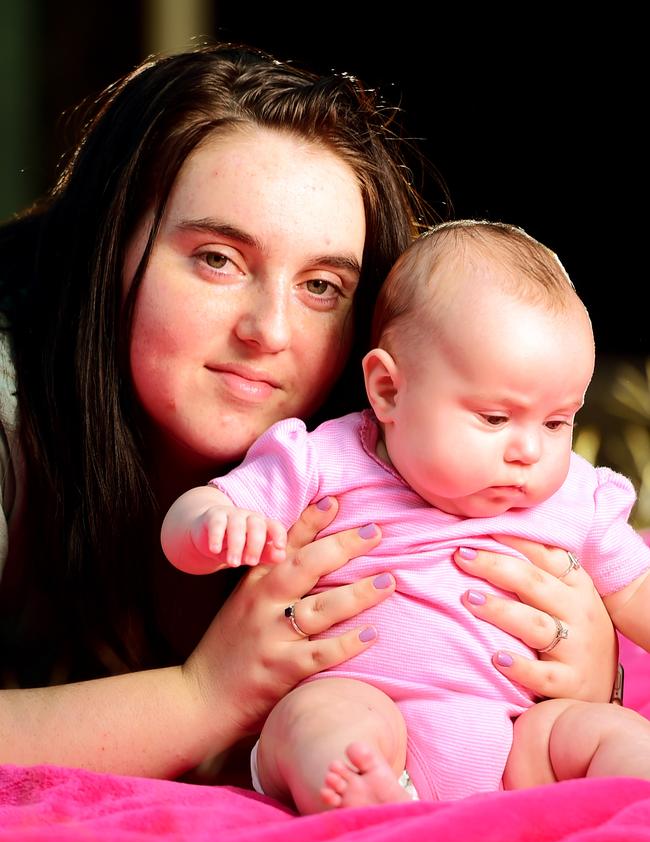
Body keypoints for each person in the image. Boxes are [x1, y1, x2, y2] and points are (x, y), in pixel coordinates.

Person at [0, 44, 619, 780]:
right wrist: (201, 698)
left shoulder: (401, 445)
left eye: (322, 285)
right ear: (110, 248)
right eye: (217, 258)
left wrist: (588, 669)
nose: (269, 331)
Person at [162, 219, 650, 811]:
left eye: (555, 421)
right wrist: (211, 526)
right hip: (369, 702)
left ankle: (633, 794)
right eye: (496, 418)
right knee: (316, 718)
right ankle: (354, 790)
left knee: (606, 734)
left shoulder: (571, 493)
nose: (530, 451)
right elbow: (204, 509)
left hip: (518, 741)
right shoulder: (324, 461)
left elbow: (639, 589)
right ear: (388, 390)